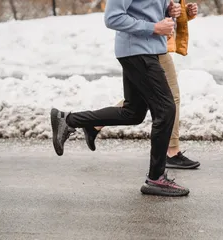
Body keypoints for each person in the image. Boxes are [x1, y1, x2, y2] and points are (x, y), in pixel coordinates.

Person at [50, 0, 190, 197]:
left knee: (132, 113)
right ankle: (156, 178)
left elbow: (148, 9)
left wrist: (170, 9)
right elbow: (113, 17)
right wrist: (154, 27)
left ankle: (68, 120)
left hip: (148, 50)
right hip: (138, 51)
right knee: (166, 110)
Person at [82, 1, 200, 169]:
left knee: (141, 102)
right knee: (169, 100)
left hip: (154, 45)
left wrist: (181, 11)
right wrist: (155, 27)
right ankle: (170, 152)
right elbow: (115, 17)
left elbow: (152, 10)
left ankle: (90, 124)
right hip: (142, 47)